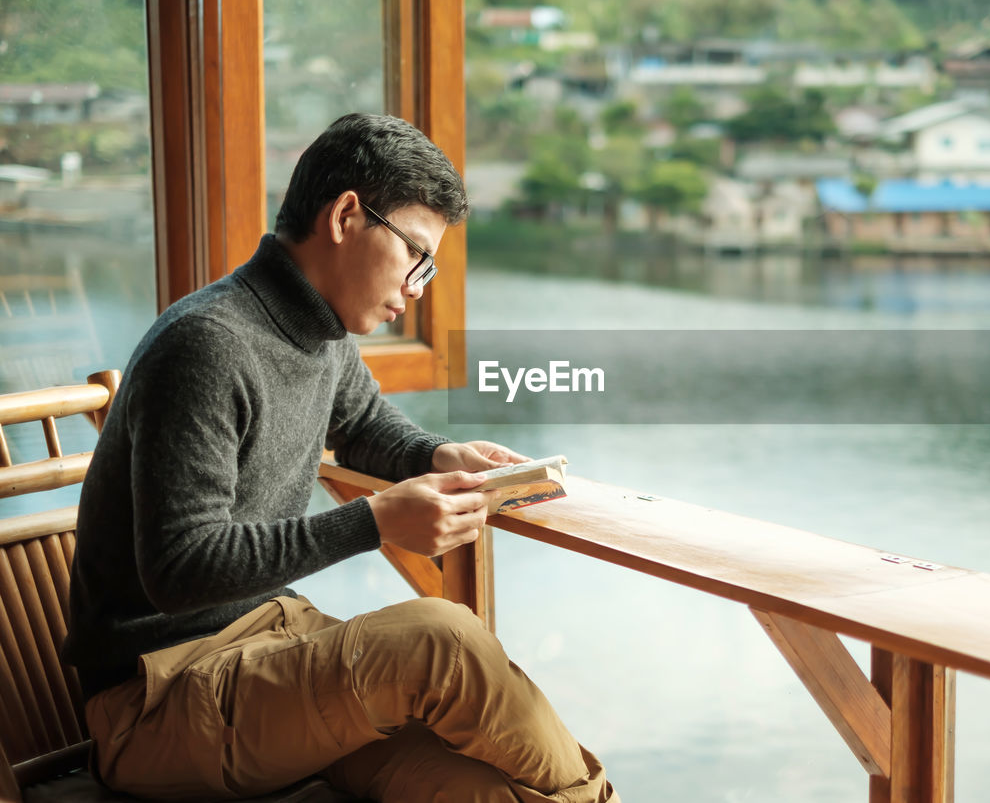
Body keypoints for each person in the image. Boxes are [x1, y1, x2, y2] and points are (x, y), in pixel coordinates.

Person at [63, 113, 617, 803]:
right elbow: (180, 568)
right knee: (442, 638)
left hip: (269, 655)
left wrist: (440, 454)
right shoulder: (207, 345)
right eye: (416, 252)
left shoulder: (320, 334)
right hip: (161, 701)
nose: (419, 285)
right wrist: (375, 522)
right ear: (347, 216)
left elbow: (364, 425)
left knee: (476, 785)